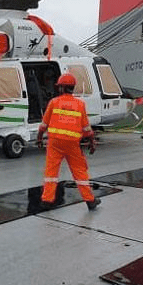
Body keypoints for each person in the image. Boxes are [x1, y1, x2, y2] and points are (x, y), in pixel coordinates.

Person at [36, 73, 100, 211]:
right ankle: (90, 201)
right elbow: (87, 128)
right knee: (80, 172)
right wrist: (92, 141)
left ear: (61, 88)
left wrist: (39, 138)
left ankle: (47, 200)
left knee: (51, 171)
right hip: (72, 144)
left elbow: (43, 125)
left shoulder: (54, 102)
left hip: (55, 143)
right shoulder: (80, 104)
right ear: (72, 88)